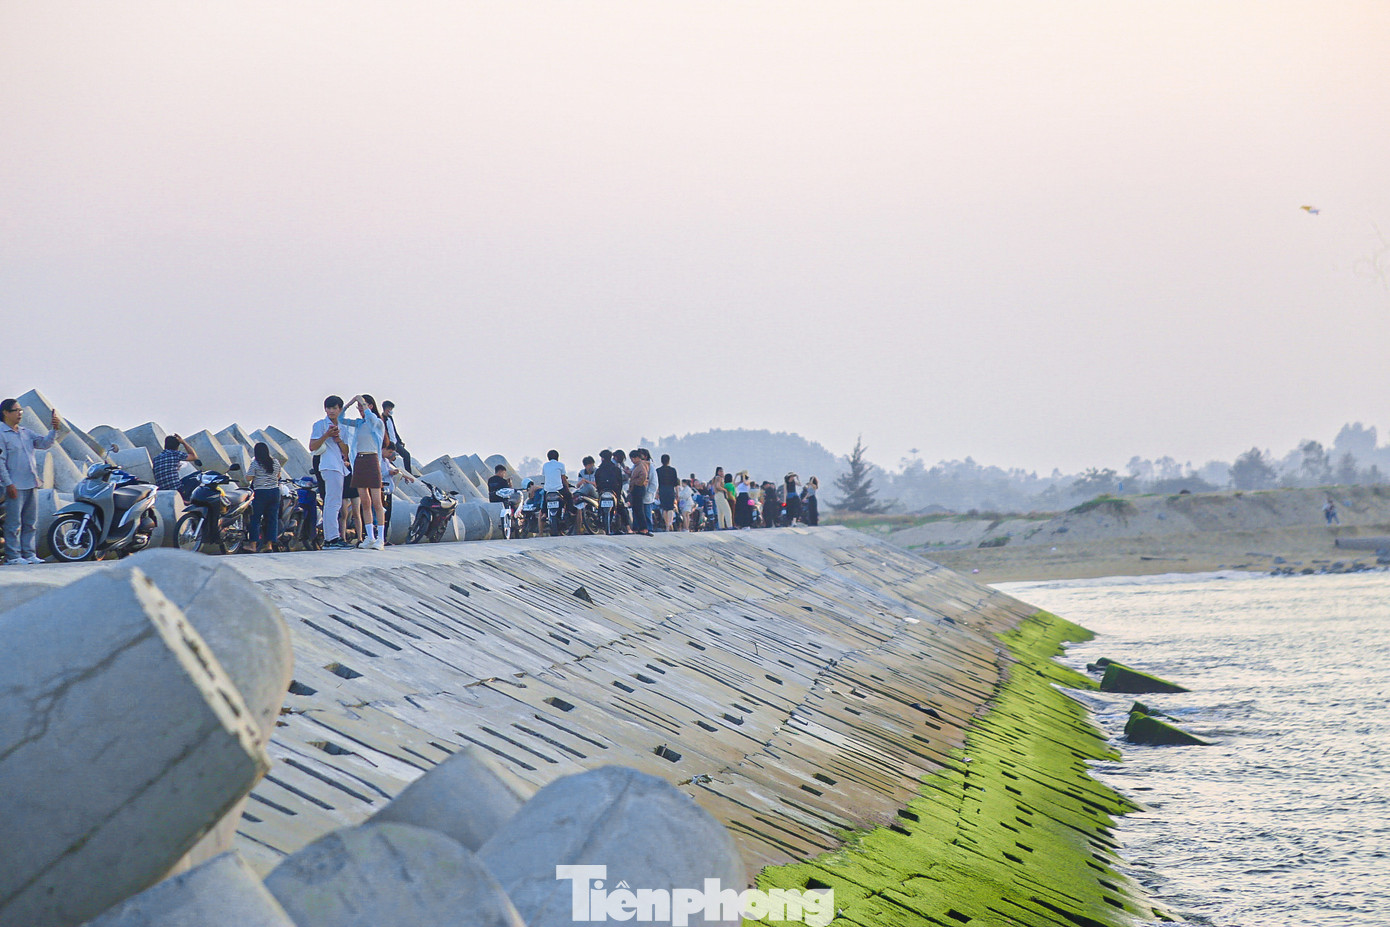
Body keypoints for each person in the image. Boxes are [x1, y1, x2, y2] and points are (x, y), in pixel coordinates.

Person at [0, 399, 65, 565]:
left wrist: (54, 429)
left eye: (21, 410)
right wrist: (8, 483)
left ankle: (29, 554)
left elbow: (44, 444)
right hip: (14, 485)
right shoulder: (1, 433)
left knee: (30, 522)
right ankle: (13, 556)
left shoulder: (25, 432)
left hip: (31, 482)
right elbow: (0, 461)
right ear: (5, 413)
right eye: (16, 410)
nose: (20, 413)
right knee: (14, 523)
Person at [341, 394, 387, 550]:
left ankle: (381, 538)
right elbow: (341, 419)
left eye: (363, 405)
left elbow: (371, 418)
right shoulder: (359, 424)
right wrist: (350, 403)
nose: (360, 409)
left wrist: (361, 400)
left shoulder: (377, 423)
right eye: (359, 407)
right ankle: (370, 537)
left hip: (372, 460)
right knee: (365, 503)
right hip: (359, 461)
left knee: (377, 502)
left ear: (370, 406)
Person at [309, 395, 352, 549]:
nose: (331, 411)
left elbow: (346, 452)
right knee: (332, 503)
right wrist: (326, 435)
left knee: (334, 502)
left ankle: (332, 538)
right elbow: (312, 446)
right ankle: (331, 539)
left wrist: (338, 439)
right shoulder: (320, 425)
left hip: (339, 466)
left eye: (334, 408)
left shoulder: (344, 428)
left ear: (340, 409)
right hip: (328, 465)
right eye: (328, 408)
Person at [245, 442, 283, 554]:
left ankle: (253, 545)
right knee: (272, 519)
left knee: (255, 519)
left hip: (260, 492)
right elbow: (278, 476)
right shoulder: (275, 462)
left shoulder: (255, 463)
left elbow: (248, 478)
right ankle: (269, 545)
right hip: (275, 493)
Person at [381, 445, 415, 543]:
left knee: (387, 516)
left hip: (388, 491)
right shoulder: (377, 460)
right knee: (381, 516)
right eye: (389, 452)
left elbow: (395, 471)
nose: (391, 454)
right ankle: (379, 537)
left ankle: (384, 538)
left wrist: (406, 477)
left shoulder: (386, 461)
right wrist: (390, 472)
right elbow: (379, 473)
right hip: (382, 491)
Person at [541, 449, 572, 530]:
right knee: (569, 496)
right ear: (558, 457)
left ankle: (544, 513)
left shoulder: (545, 465)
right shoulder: (561, 465)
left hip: (548, 489)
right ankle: (570, 511)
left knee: (544, 500)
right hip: (558, 488)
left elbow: (546, 476)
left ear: (548, 458)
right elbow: (563, 479)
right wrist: (567, 488)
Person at [381, 400, 411, 473]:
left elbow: (394, 431)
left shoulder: (390, 418)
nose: (391, 411)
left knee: (406, 455)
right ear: (386, 409)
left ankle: (409, 472)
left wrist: (400, 441)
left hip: (395, 442)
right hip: (388, 442)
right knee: (389, 458)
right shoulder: (381, 418)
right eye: (390, 409)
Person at [628, 448, 651, 535]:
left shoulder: (641, 465)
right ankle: (639, 528)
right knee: (636, 509)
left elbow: (643, 476)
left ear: (637, 457)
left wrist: (637, 483)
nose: (632, 461)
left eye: (633, 459)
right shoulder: (638, 466)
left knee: (639, 509)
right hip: (637, 488)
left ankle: (643, 528)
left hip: (638, 488)